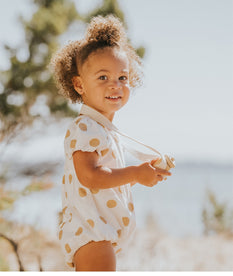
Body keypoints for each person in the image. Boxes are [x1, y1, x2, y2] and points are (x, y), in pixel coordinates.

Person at [50, 15, 171, 271]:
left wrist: (145, 168)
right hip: (91, 230)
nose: (115, 85)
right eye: (103, 77)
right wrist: (136, 174)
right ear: (79, 85)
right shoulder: (85, 127)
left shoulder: (103, 129)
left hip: (100, 230)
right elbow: (90, 176)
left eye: (122, 78)